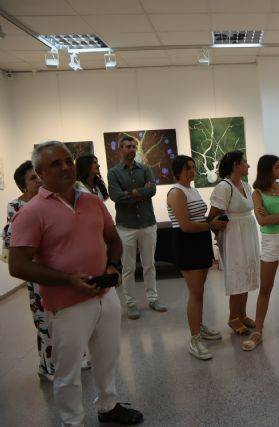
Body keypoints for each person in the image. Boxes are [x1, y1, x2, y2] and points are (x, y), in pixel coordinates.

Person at [9, 141, 143, 426]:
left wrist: (113, 266)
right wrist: (68, 280)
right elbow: (17, 265)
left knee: (107, 357)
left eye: (68, 160)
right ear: (40, 172)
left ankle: (108, 406)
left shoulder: (92, 201)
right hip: (67, 305)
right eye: (55, 164)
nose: (65, 167)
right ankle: (72, 421)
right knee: (68, 371)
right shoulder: (31, 212)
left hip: (105, 295)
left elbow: (113, 239)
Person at [167, 155, 227, 360]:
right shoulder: (176, 192)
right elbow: (185, 225)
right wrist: (211, 225)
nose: (191, 172)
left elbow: (199, 219)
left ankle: (199, 327)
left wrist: (213, 224)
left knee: (200, 291)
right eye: (187, 169)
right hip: (186, 244)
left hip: (200, 241)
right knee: (195, 292)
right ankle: (194, 339)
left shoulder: (192, 190)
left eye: (193, 167)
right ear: (177, 171)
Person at [242, 155, 279, 351]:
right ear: (268, 170)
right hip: (270, 242)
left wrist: (277, 216)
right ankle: (258, 331)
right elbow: (263, 222)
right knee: (266, 288)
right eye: (278, 167)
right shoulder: (257, 193)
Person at [2, 161, 54, 380]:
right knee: (43, 319)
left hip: (57, 266)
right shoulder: (15, 206)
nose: (39, 180)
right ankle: (47, 366)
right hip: (35, 271)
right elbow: (12, 237)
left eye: (38, 176)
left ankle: (75, 357)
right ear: (23, 185)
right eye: (33, 178)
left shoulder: (52, 200)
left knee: (64, 316)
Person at [107, 135, 167, 319]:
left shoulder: (146, 169)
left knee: (150, 265)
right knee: (128, 268)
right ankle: (131, 304)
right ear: (120, 149)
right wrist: (141, 191)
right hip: (126, 227)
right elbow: (116, 196)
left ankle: (153, 299)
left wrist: (132, 193)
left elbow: (153, 190)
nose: (131, 149)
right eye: (127, 146)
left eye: (133, 146)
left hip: (148, 223)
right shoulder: (114, 173)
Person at [208, 151, 260, 335]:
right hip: (232, 237)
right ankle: (233, 317)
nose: (248, 165)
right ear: (235, 165)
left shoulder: (246, 186)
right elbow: (212, 217)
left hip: (247, 234)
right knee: (237, 274)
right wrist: (219, 237)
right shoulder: (224, 187)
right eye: (245, 162)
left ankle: (243, 314)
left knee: (246, 273)